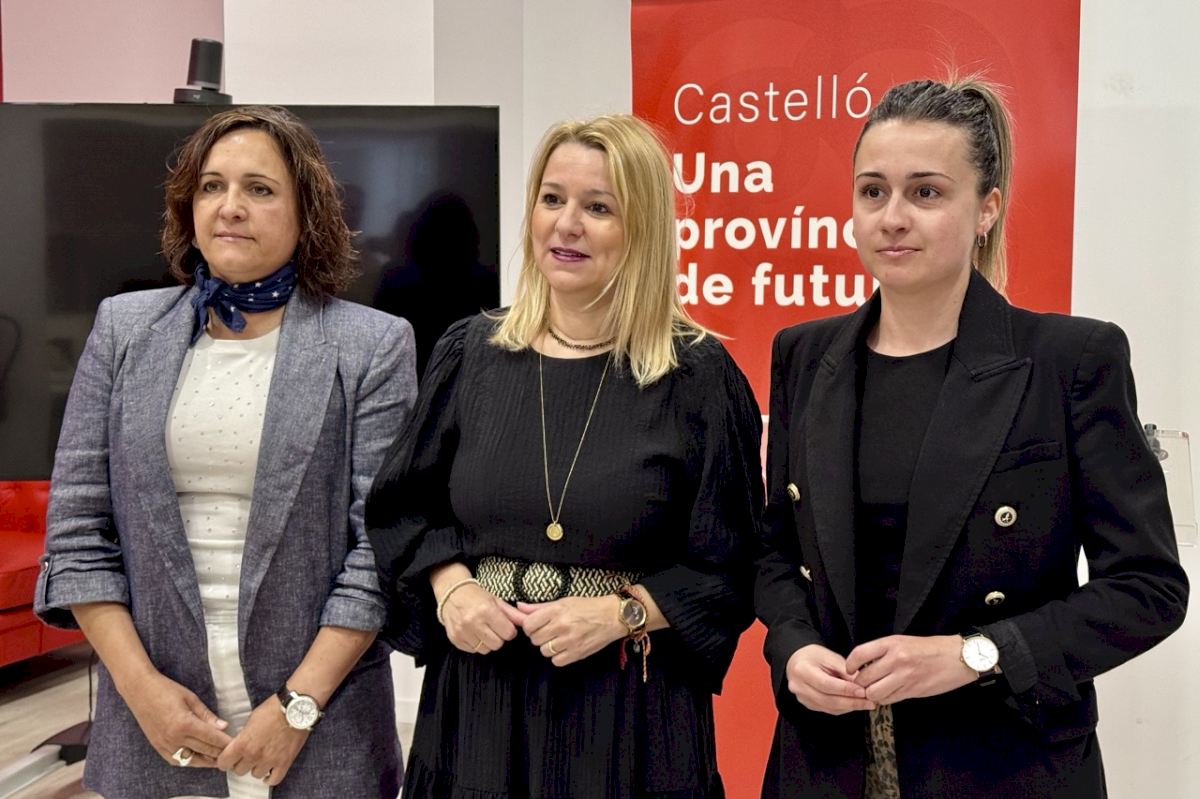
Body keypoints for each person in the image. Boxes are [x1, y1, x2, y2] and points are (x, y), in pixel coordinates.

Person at [755, 78, 1188, 798]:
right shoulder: (803, 355)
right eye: (872, 192)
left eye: (926, 192)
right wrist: (793, 649)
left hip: (1003, 760)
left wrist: (978, 653)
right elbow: (776, 550)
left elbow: (1149, 588)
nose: (893, 217)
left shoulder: (1070, 360)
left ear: (987, 208)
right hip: (826, 761)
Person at [366, 113, 763, 798]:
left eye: (598, 207)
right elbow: (404, 509)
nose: (566, 224)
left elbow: (736, 562)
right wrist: (452, 588)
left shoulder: (699, 376)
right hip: (479, 705)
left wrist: (623, 612)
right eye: (552, 199)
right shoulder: (469, 354)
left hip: (629, 714)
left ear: (643, 229)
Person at [35, 106, 415, 799]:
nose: (230, 207)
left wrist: (297, 705)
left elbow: (379, 548)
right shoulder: (123, 329)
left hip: (319, 721)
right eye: (212, 186)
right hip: (155, 717)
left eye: (259, 189)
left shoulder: (371, 345)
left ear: (306, 213)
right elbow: (78, 533)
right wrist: (142, 691)